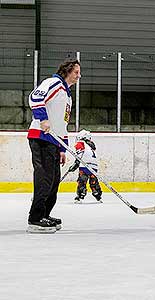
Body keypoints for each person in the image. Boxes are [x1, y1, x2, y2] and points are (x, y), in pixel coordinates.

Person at [27, 59, 81, 233]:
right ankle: (35, 219)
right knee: (44, 178)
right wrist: (42, 118)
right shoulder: (54, 83)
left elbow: (61, 125)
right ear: (66, 71)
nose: (79, 76)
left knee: (54, 180)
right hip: (41, 137)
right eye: (76, 72)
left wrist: (62, 149)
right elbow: (35, 97)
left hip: (54, 142)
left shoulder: (67, 96)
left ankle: (45, 214)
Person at [68, 130, 103, 204]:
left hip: (84, 165)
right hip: (94, 166)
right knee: (93, 180)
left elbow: (79, 155)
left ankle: (81, 194)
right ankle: (96, 192)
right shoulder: (91, 146)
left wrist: (75, 165)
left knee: (82, 180)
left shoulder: (80, 143)